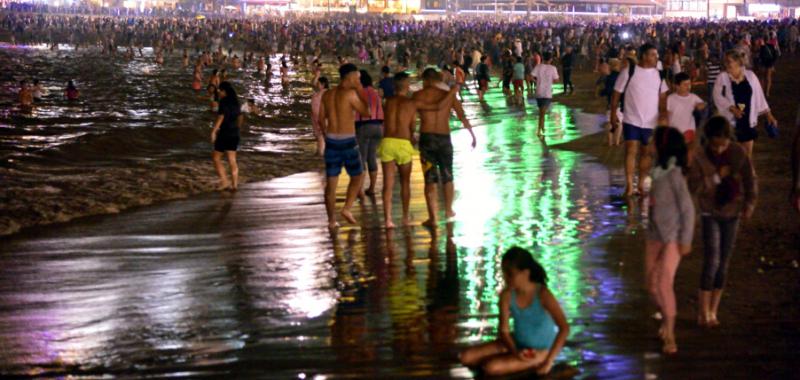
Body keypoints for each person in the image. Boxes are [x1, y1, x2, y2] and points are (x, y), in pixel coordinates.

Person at [688, 116, 757, 328]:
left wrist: (750, 203)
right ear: (708, 140)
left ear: (729, 139)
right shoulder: (699, 158)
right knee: (712, 261)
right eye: (715, 145)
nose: (719, 150)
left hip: (733, 211)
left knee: (724, 262)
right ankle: (702, 312)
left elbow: (750, 178)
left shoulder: (738, 153)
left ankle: (713, 311)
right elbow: (694, 188)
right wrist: (716, 177)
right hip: (710, 212)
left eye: (723, 144)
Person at [459, 247, 569, 377]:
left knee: (491, 367)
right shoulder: (507, 295)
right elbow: (504, 331)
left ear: (525, 273)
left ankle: (539, 360)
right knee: (466, 357)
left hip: (540, 350)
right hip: (516, 343)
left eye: (510, 274)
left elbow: (564, 328)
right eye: (504, 273)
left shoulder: (542, 294)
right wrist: (516, 351)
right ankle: (518, 360)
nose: (505, 278)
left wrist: (549, 361)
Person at [379, 72, 456, 228]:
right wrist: (452, 93)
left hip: (387, 143)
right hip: (403, 144)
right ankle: (405, 218)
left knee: (388, 184)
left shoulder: (387, 102)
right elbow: (437, 106)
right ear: (406, 86)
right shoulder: (411, 102)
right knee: (405, 182)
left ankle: (388, 220)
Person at [645, 126, 695, 355]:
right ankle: (666, 316)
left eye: (654, 141)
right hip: (654, 235)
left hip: (673, 237)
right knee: (651, 285)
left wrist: (685, 239)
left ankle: (670, 331)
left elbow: (687, 210)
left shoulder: (674, 174)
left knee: (664, 283)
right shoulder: (657, 170)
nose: (650, 143)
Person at [413, 68, 476, 228]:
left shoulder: (418, 96)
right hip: (444, 138)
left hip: (427, 139)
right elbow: (462, 115)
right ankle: (448, 210)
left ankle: (432, 217)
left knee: (429, 178)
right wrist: (472, 134)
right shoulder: (447, 96)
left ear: (426, 80)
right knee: (447, 175)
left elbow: (410, 117)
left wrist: (410, 133)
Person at [610, 43, 669, 197]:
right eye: (653, 55)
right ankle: (630, 185)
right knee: (630, 150)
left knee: (647, 153)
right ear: (644, 56)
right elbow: (616, 93)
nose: (656, 58)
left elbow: (663, 97)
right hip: (631, 119)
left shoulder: (659, 75)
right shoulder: (629, 72)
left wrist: (663, 114)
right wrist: (613, 113)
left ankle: (641, 183)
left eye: (656, 55)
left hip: (651, 121)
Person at [318, 63, 371, 229]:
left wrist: (327, 135)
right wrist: (361, 90)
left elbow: (320, 118)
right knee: (358, 175)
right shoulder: (350, 94)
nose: (358, 79)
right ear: (350, 77)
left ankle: (331, 221)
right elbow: (366, 112)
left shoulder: (327, 95)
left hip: (332, 140)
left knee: (331, 183)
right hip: (348, 140)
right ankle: (347, 208)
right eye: (357, 77)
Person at [713, 50, 778, 158]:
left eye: (729, 61)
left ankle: (748, 173)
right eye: (725, 61)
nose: (726, 64)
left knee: (747, 156)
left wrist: (769, 115)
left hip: (748, 121)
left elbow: (759, 96)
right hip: (731, 122)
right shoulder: (722, 77)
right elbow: (717, 95)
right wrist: (731, 108)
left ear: (738, 62)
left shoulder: (751, 76)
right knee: (733, 155)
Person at [355, 70, 384, 198]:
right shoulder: (375, 93)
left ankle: (359, 190)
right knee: (371, 157)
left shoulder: (359, 92)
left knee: (361, 157)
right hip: (378, 127)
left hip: (364, 126)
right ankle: (371, 188)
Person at [210, 81, 243, 191]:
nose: (218, 92)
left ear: (225, 91)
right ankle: (234, 185)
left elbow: (221, 118)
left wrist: (214, 131)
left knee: (216, 158)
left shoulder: (223, 102)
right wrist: (237, 128)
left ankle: (224, 181)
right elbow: (240, 118)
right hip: (235, 133)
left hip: (225, 133)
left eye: (220, 90)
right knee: (232, 160)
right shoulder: (236, 102)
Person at [667, 72, 706, 147]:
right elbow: (666, 116)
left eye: (689, 84)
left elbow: (703, 104)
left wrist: (702, 106)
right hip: (674, 135)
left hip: (689, 133)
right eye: (685, 84)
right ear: (677, 86)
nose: (688, 87)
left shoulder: (693, 97)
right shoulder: (670, 99)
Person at [531, 52, 560, 140]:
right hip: (547, 93)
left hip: (539, 92)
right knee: (542, 113)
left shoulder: (538, 67)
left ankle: (541, 127)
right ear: (551, 59)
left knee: (541, 112)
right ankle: (540, 129)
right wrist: (550, 81)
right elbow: (557, 80)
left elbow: (530, 76)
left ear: (543, 58)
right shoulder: (553, 68)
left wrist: (537, 82)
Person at [311, 75, 329, 156]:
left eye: (318, 83)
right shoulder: (331, 93)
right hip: (329, 118)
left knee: (320, 136)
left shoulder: (316, 95)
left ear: (323, 84)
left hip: (318, 118)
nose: (317, 85)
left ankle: (320, 152)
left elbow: (314, 109)